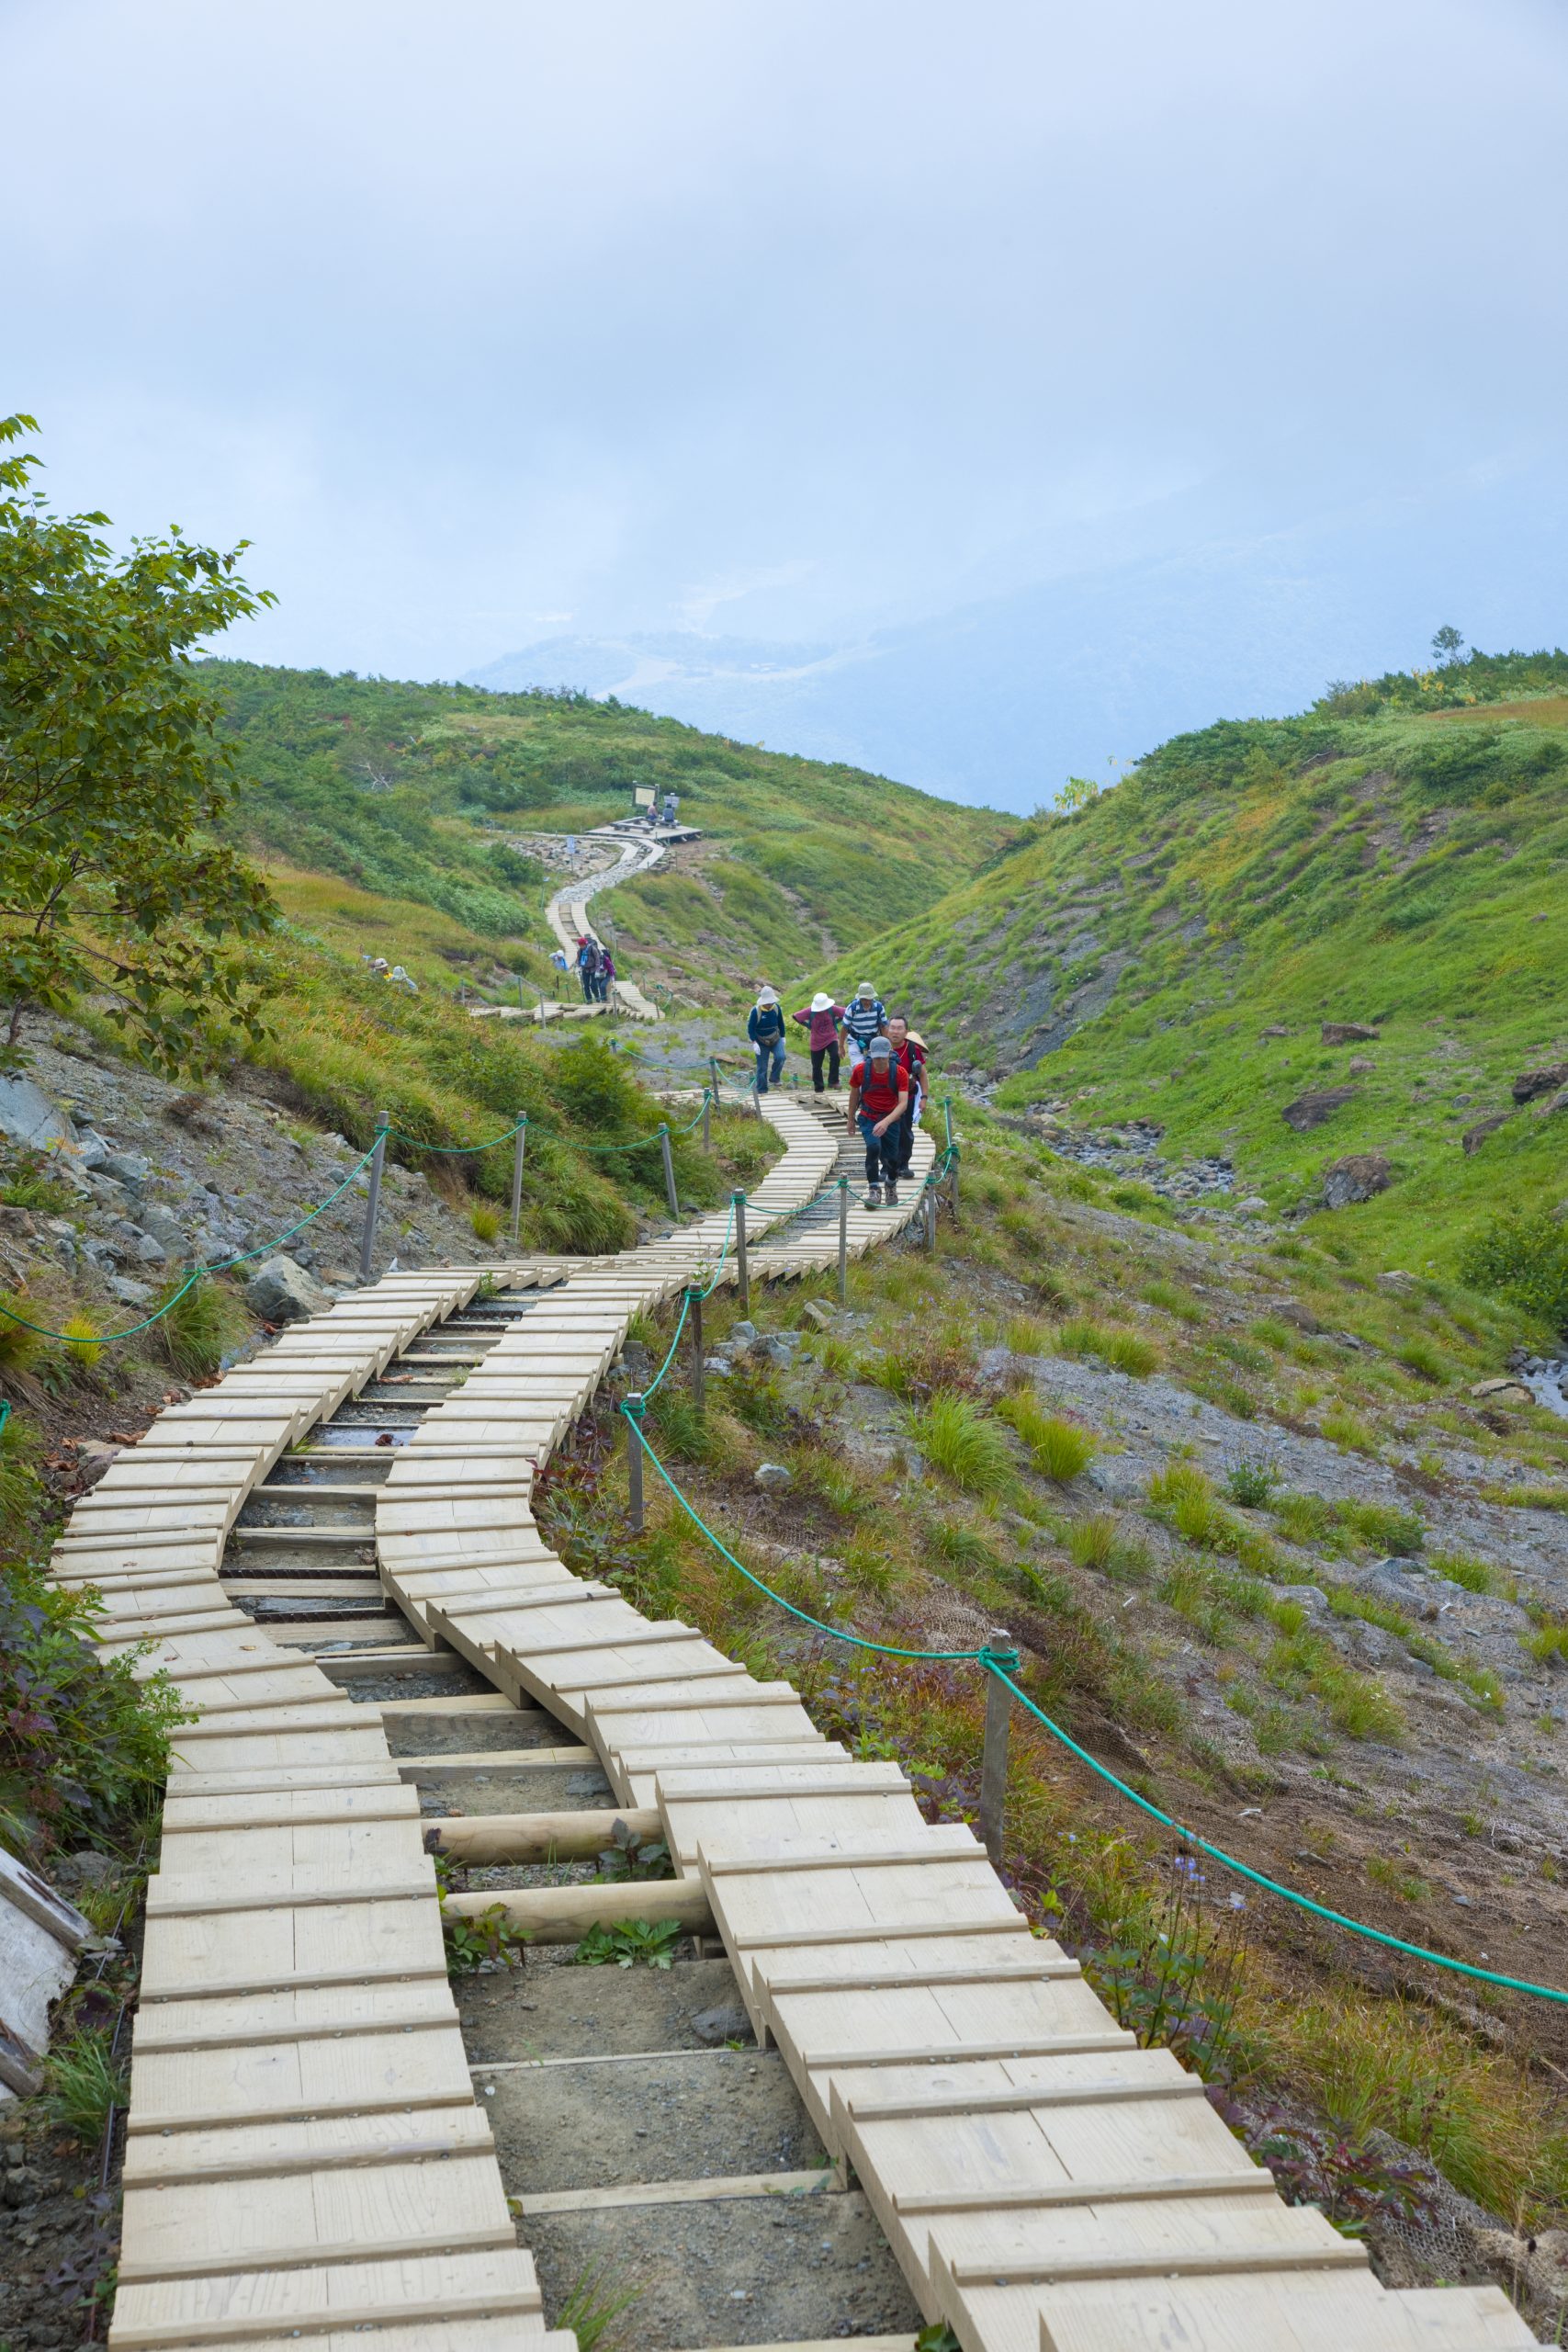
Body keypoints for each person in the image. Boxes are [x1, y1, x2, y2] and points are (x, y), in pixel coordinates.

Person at [847, 1034, 908, 1208]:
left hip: (891, 1117)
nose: (879, 1061)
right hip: (868, 1116)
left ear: (889, 1055)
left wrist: (886, 1122)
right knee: (873, 1148)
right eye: (876, 1058)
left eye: (882, 1058)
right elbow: (854, 1095)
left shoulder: (900, 1073)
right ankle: (874, 1190)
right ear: (870, 1054)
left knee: (893, 1159)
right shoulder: (860, 1070)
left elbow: (903, 1103)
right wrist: (850, 1119)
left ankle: (890, 1184)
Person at [886, 1013, 926, 1176]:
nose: (895, 1032)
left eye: (899, 1028)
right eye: (892, 1028)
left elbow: (923, 1075)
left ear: (906, 1031)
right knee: (887, 1131)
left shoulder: (912, 1049)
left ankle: (903, 1165)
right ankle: (887, 1166)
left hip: (907, 1098)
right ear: (888, 1030)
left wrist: (924, 1098)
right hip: (885, 1098)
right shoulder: (882, 1047)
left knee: (905, 1132)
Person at [792, 991, 845, 1092]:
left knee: (835, 1056)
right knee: (817, 1066)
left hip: (831, 1037)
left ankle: (833, 1081)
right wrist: (808, 1025)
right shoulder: (809, 1011)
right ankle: (819, 1088)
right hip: (816, 1041)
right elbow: (795, 1016)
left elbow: (846, 1012)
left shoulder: (832, 1009)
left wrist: (836, 1022)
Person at [747, 985, 787, 1093]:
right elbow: (750, 1028)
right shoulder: (756, 1011)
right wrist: (754, 1042)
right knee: (762, 1067)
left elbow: (781, 1023)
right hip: (761, 1041)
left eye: (771, 1003)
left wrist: (783, 1036)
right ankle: (762, 1090)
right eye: (768, 1003)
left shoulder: (776, 1008)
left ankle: (774, 1077)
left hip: (775, 1038)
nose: (769, 1005)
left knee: (781, 1057)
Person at [842, 981, 886, 1057]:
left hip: (874, 1040)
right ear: (860, 998)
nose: (868, 1002)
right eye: (864, 999)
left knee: (874, 1066)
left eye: (870, 999)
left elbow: (883, 1027)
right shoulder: (852, 1008)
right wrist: (840, 1046)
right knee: (858, 1066)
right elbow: (845, 1027)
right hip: (855, 1040)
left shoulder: (879, 1007)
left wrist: (886, 1044)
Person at [576, 934, 600, 1002]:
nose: (581, 946)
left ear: (585, 944)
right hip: (585, 970)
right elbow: (579, 960)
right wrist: (579, 966)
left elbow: (597, 960)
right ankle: (589, 1000)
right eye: (580, 945)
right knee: (586, 986)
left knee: (593, 985)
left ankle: (597, 997)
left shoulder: (593, 949)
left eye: (582, 945)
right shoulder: (579, 951)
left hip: (593, 970)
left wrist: (597, 971)